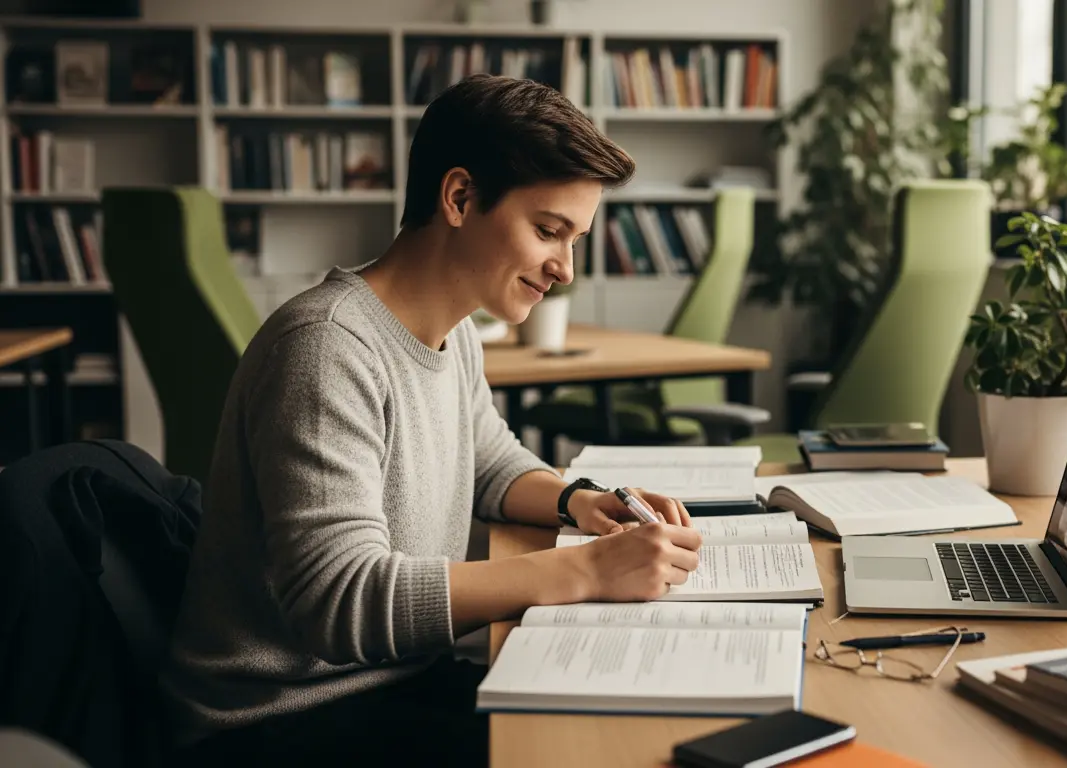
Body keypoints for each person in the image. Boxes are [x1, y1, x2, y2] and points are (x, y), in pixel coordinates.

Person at [161, 75, 704, 766]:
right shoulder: (327, 347)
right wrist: (587, 572)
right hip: (271, 722)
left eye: (576, 239)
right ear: (459, 197)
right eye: (548, 231)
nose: (565, 268)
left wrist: (581, 502)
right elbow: (341, 600)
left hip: (389, 681)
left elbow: (489, 460)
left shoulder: (453, 331)